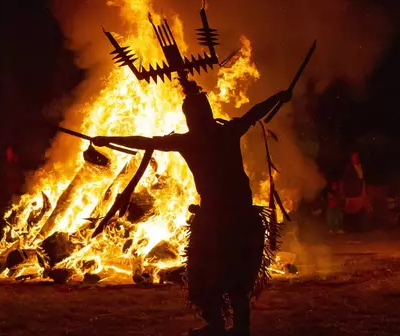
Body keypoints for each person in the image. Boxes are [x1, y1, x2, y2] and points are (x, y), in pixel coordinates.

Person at [93, 86, 292, 336]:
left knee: (211, 275)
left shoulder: (190, 140)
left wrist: (107, 139)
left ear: (192, 117)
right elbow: (254, 113)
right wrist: (278, 95)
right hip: (232, 216)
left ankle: (227, 326)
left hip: (221, 218)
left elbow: (146, 142)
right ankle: (232, 327)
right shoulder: (227, 132)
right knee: (228, 276)